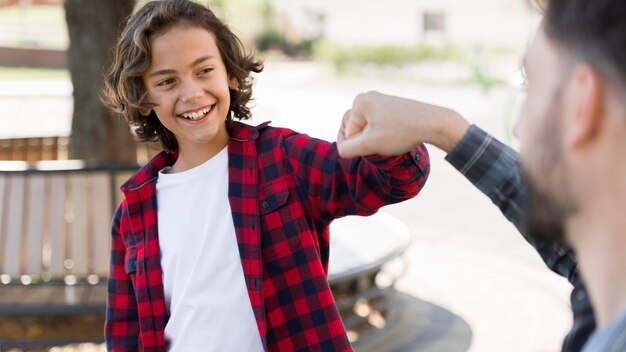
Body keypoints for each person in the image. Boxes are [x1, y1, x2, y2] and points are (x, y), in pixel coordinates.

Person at [100, 0, 429, 351]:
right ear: (143, 98)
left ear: (229, 73)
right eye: (167, 81)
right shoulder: (133, 214)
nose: (192, 93)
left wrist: (386, 137)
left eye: (204, 70)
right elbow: (125, 332)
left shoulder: (281, 158)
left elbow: (394, 181)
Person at [337, 0, 626, 350]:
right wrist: (446, 129)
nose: (518, 129)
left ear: (581, 103)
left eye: (530, 86)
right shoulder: (607, 281)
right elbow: (576, 247)